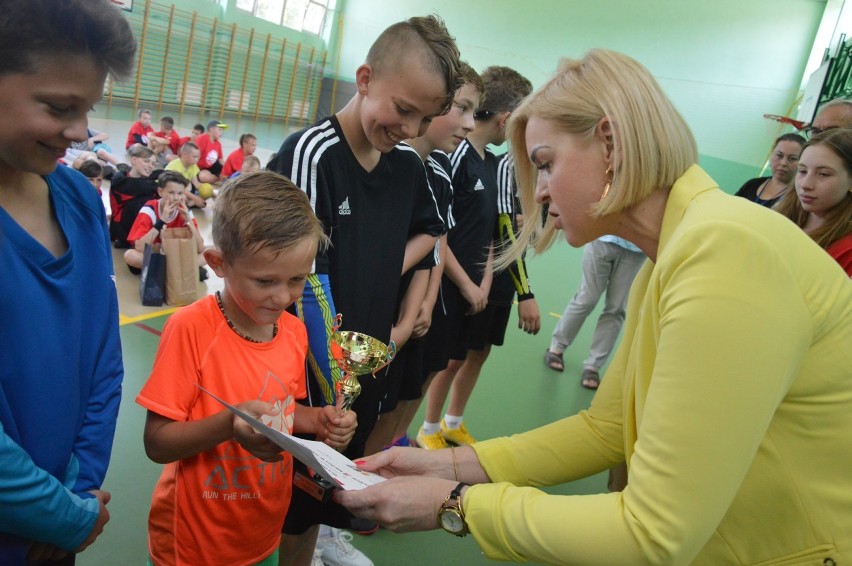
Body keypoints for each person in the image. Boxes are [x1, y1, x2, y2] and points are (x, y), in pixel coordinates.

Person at [335, 49, 852, 564]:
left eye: (545, 164)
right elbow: (607, 428)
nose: (539, 192)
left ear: (610, 142)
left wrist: (456, 506)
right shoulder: (675, 253)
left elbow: (654, 534)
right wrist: (453, 467)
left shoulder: (724, 255)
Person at [267, 15, 461, 566]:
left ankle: (324, 539)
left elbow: (432, 228)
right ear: (365, 78)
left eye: (424, 118)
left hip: (368, 359)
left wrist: (383, 272)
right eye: (403, 109)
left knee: (324, 492)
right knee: (291, 499)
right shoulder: (313, 154)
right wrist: (329, 382)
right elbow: (304, 281)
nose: (410, 128)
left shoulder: (405, 167)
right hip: (311, 373)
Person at [136, 171, 357, 566]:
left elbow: (284, 409)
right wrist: (229, 425)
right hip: (194, 541)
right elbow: (158, 443)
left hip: (262, 532)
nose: (283, 296)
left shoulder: (292, 331)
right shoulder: (191, 328)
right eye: (265, 280)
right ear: (219, 263)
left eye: (296, 280)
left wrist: (318, 421)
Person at [0, 1, 134, 564]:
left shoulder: (79, 198)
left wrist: (81, 495)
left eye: (89, 108)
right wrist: (60, 515)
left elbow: (103, 359)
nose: (81, 132)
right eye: (60, 107)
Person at [369, 62, 483, 453]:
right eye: (462, 109)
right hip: (378, 312)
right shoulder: (387, 162)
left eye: (474, 111)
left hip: (414, 308)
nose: (469, 124)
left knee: (405, 396)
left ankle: (387, 454)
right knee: (368, 410)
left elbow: (437, 237)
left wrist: (428, 300)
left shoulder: (440, 168)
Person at [418, 65, 533, 450]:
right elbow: (440, 232)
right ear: (506, 119)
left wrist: (484, 281)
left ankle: (449, 423)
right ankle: (428, 429)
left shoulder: (492, 162)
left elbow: (491, 231)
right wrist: (467, 283)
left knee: (469, 355)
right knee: (439, 364)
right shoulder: (455, 155)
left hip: (475, 286)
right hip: (447, 287)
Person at [543, 235, 645, 389]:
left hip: (636, 248)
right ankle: (556, 348)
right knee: (586, 299)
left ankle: (593, 366)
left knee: (616, 308)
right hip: (602, 239)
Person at [776, 129, 852, 276]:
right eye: (802, 171)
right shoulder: (781, 216)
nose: (806, 184)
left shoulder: (847, 250)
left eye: (823, 174)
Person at [122, 170, 206, 273]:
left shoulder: (184, 211)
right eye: (171, 193)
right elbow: (139, 247)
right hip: (157, 255)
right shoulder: (150, 209)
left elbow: (200, 248)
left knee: (211, 251)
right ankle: (179, 270)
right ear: (160, 191)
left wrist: (188, 220)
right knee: (130, 255)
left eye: (180, 193)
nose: (176, 198)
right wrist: (162, 220)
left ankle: (167, 271)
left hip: (175, 255)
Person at [734, 133, 805, 207]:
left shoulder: (799, 197)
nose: (783, 163)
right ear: (771, 155)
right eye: (779, 155)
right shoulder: (752, 184)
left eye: (792, 158)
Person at [108, 144, 158, 248]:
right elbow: (144, 187)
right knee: (146, 201)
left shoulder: (142, 179)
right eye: (146, 161)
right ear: (134, 160)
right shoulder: (121, 181)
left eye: (153, 164)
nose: (150, 166)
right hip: (121, 227)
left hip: (131, 225)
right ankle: (129, 240)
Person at [165, 141, 208, 208]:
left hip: (183, 189)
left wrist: (209, 191)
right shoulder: (174, 166)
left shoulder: (193, 165)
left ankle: (189, 204)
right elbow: (177, 188)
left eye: (198, 157)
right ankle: (188, 204)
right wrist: (195, 198)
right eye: (194, 157)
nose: (197, 160)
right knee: (183, 197)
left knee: (207, 191)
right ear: (184, 155)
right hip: (171, 190)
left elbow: (196, 183)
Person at [195, 119, 227, 184]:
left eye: (222, 130)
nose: (221, 132)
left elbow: (221, 159)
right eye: (219, 129)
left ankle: (222, 178)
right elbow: (196, 156)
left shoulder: (218, 144)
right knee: (203, 177)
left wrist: (226, 169)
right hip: (200, 168)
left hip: (212, 167)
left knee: (226, 169)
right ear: (211, 129)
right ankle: (219, 178)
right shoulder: (203, 138)